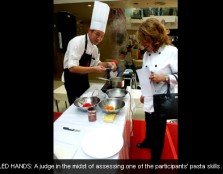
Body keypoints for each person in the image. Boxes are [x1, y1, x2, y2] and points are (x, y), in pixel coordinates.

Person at [136, 18, 178, 165]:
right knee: (148, 122)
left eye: (145, 41)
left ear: (155, 38)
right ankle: (148, 141)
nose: (143, 45)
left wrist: (164, 77)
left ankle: (155, 160)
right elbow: (146, 74)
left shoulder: (172, 51)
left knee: (158, 132)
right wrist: (143, 93)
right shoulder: (147, 53)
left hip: (162, 100)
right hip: (149, 97)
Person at [62, 1, 117, 105]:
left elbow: (96, 63)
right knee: (76, 106)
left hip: (83, 79)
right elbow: (72, 68)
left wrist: (107, 64)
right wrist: (93, 69)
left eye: (102, 36)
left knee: (87, 103)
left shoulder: (95, 48)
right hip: (71, 80)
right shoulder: (77, 42)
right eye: (97, 34)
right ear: (89, 31)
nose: (99, 38)